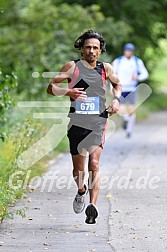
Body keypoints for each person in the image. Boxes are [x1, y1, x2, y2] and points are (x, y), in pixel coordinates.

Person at [47, 30, 122, 224]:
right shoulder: (72, 67)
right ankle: (81, 190)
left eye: (95, 48)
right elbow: (51, 87)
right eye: (88, 47)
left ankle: (92, 207)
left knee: (94, 165)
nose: (91, 51)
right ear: (81, 48)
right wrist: (67, 92)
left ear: (100, 51)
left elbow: (117, 85)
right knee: (78, 171)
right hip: (77, 123)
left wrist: (116, 100)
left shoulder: (106, 69)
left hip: (98, 122)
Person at [112, 43, 149, 138]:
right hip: (121, 87)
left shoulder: (137, 61)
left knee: (132, 108)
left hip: (132, 88)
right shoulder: (118, 61)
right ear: (124, 51)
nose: (128, 52)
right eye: (127, 50)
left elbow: (145, 74)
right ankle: (126, 119)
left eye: (130, 51)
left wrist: (138, 77)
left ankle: (129, 130)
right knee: (122, 108)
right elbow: (112, 75)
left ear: (132, 52)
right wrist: (112, 87)